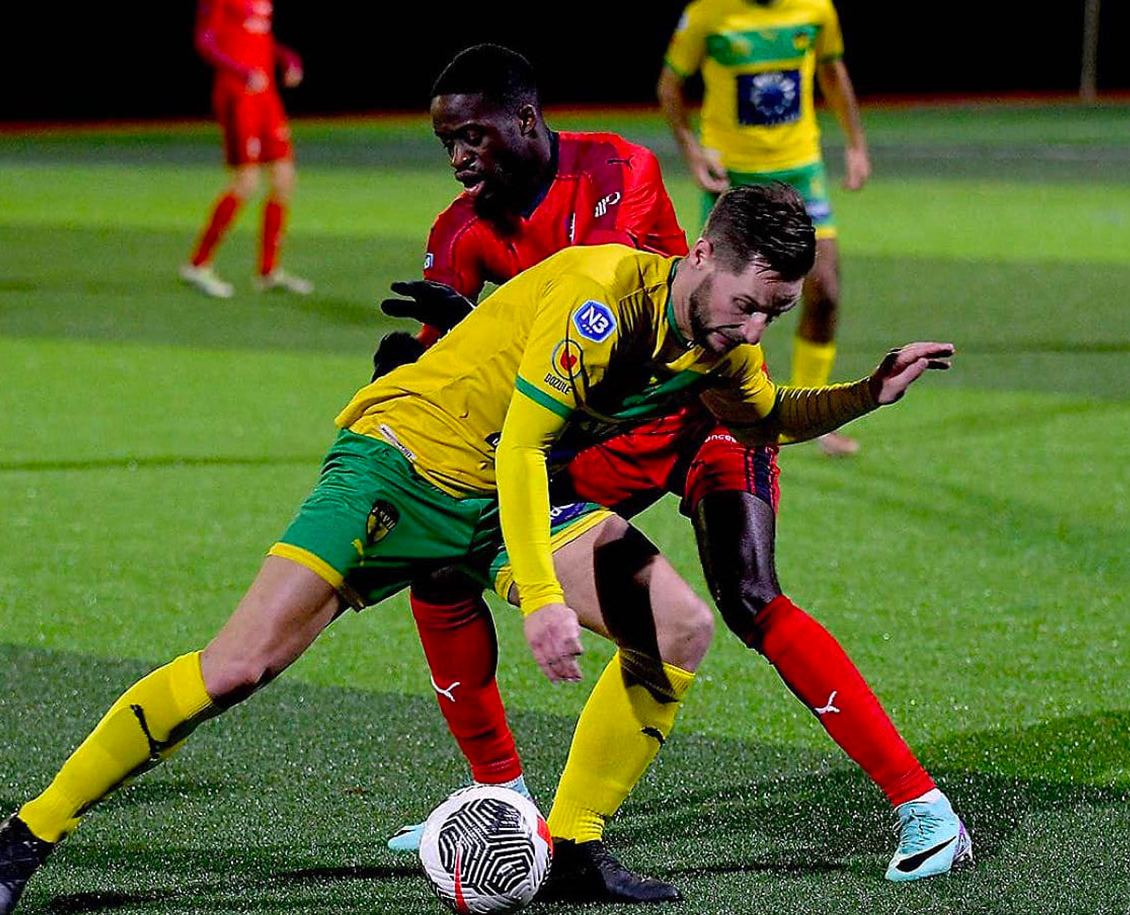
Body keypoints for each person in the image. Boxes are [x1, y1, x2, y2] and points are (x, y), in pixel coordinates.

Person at [0, 182, 948, 914]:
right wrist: (550, 604)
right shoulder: (602, 301)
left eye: (775, 309)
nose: (756, 323)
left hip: (499, 497)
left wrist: (866, 391)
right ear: (702, 254)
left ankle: (569, 852)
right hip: (398, 465)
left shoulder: (723, 340)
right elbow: (523, 447)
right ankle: (24, 838)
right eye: (749, 301)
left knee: (676, 631)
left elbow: (766, 415)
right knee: (238, 666)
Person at [379, 45, 969, 890]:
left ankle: (925, 807)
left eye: (472, 135)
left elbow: (620, 314)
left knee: (749, 597)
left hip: (701, 416)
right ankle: (499, 804)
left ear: (523, 120)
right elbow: (466, 384)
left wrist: (862, 393)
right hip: (601, 441)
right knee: (440, 559)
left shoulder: (619, 169)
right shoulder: (456, 236)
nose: (460, 156)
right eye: (447, 142)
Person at [658, 0, 870, 456]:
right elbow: (670, 84)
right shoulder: (708, 14)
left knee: (826, 289)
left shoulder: (816, 11)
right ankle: (717, 417)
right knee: (722, 306)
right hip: (732, 177)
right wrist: (692, 150)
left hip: (800, 170)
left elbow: (832, 73)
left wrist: (855, 144)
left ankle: (811, 418)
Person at [179, 0, 312, 299]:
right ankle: (197, 265)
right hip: (238, 94)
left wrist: (285, 57)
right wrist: (240, 71)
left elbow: (258, 38)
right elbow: (205, 40)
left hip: (266, 95)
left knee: (283, 180)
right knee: (246, 182)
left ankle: (268, 272)